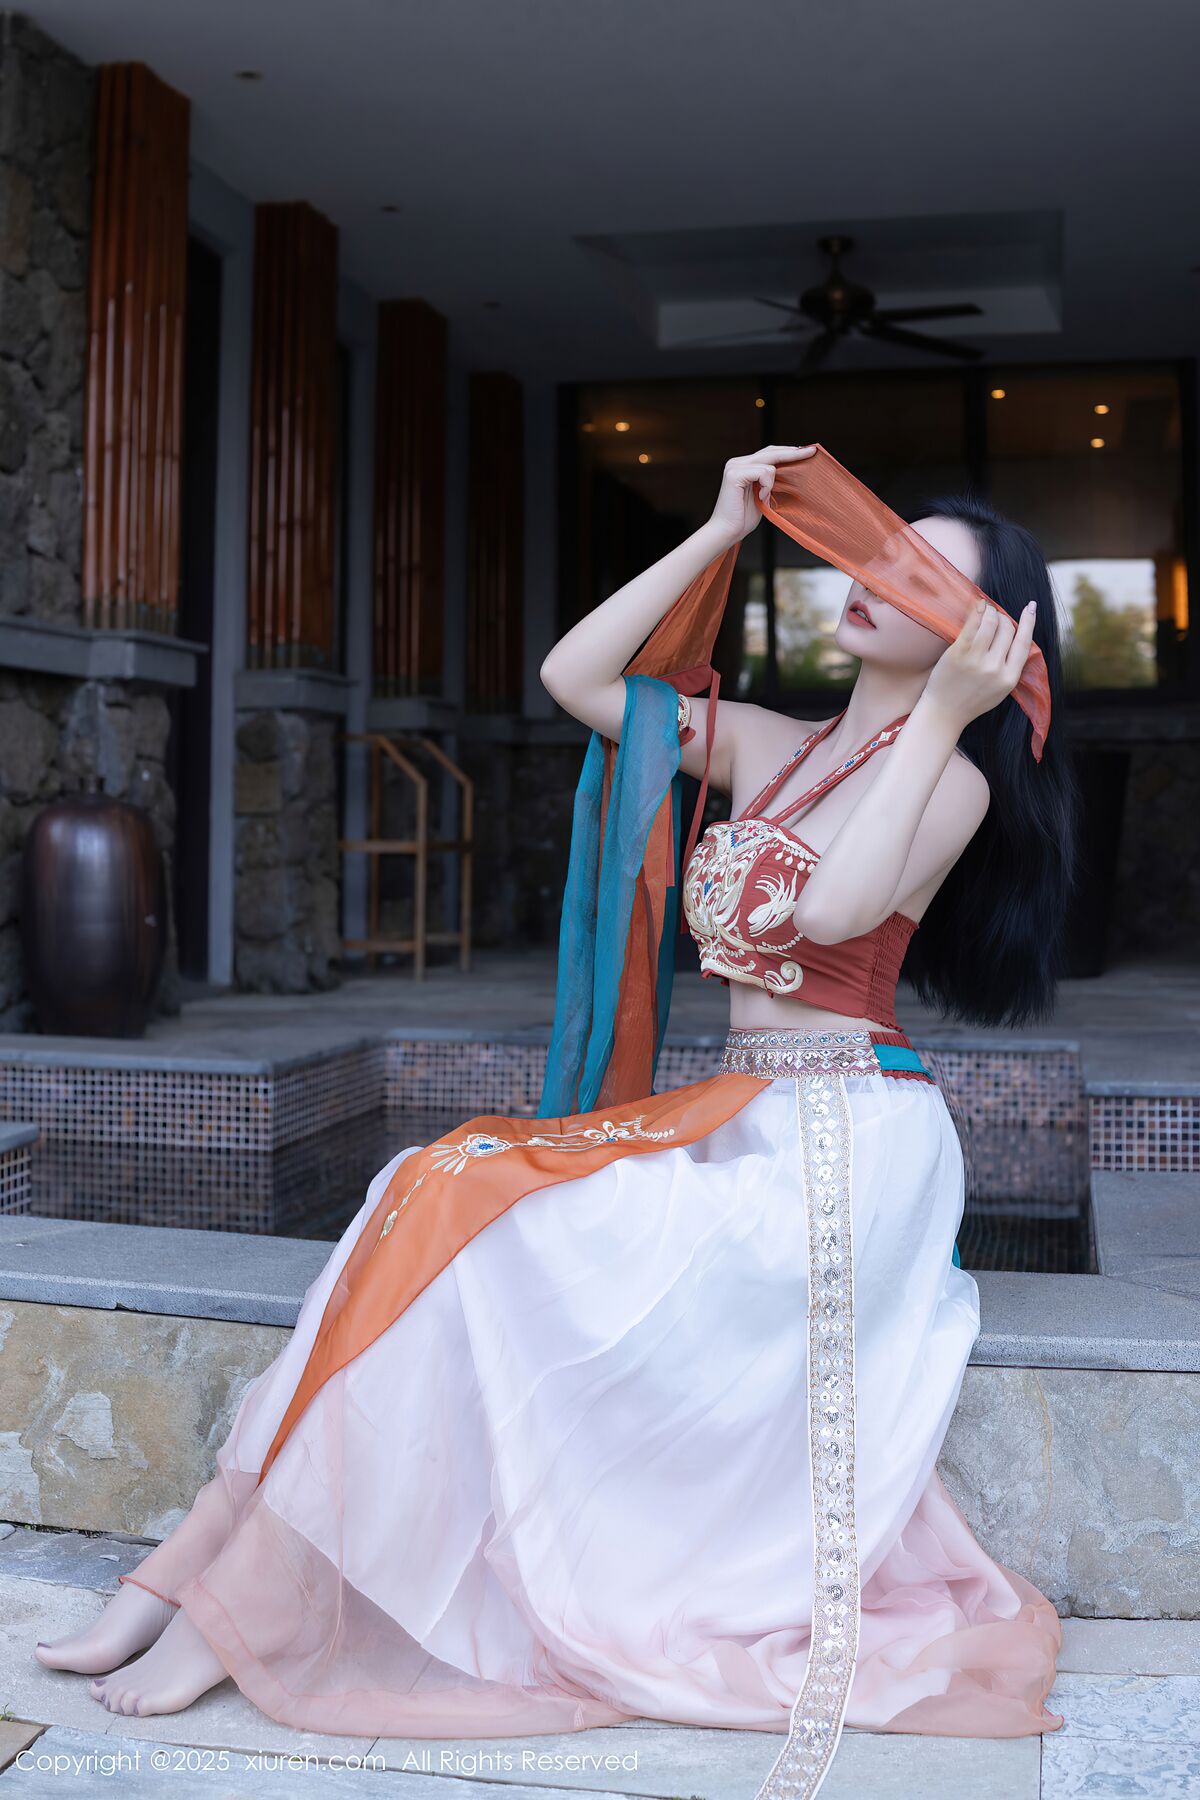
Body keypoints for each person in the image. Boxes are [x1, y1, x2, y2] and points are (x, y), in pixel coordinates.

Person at [35, 444, 1071, 1800]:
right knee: (424, 1181)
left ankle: (236, 1606)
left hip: (841, 1151)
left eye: (921, 574)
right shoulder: (777, 740)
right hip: (748, 1113)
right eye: (876, 549)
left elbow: (828, 914)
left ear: (979, 636)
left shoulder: (954, 780)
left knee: (471, 1207)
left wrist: (945, 714)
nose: (873, 578)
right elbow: (577, 680)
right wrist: (716, 529)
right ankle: (191, 1570)